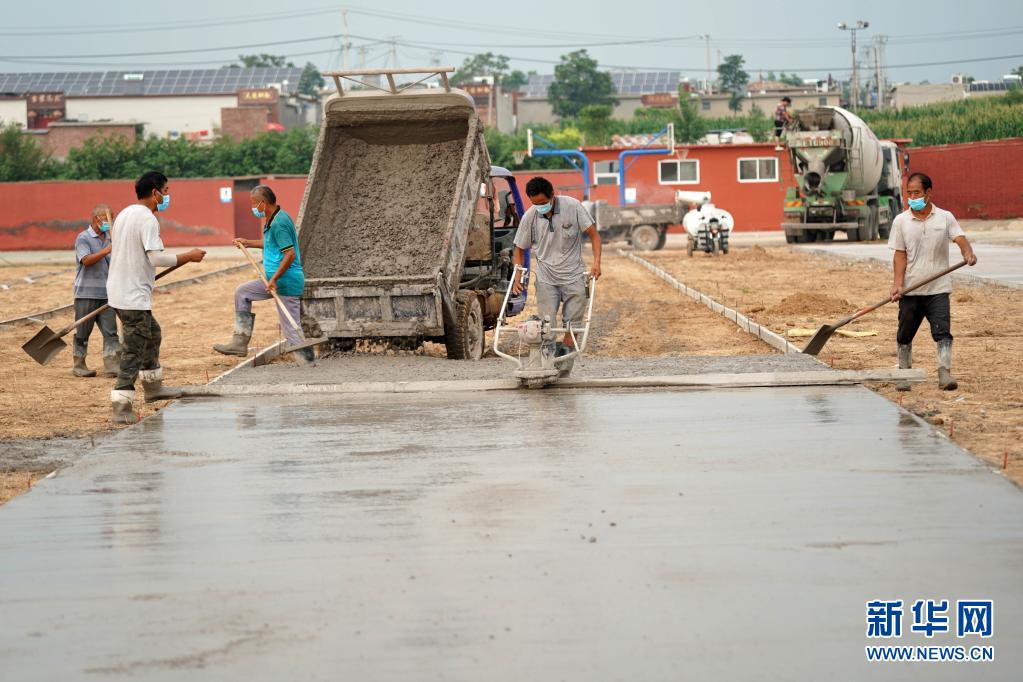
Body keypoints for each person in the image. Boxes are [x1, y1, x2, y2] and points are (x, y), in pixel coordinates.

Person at [107, 171, 206, 424]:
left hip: (119, 291)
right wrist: (189, 256)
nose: (167, 195)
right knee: (133, 349)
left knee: (153, 334)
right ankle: (121, 406)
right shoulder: (148, 219)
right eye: (167, 190)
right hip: (132, 296)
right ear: (155, 192)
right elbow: (156, 258)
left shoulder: (124, 214)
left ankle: (153, 387)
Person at [889, 172, 977, 392]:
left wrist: (968, 253)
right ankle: (904, 374)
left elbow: (960, 239)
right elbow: (900, 255)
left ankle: (944, 373)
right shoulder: (901, 221)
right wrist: (897, 284)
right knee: (904, 334)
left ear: (929, 192)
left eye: (917, 192)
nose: (912, 197)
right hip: (911, 289)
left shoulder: (945, 217)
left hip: (938, 289)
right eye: (909, 193)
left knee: (942, 332)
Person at [213, 185, 312, 364]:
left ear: (263, 203)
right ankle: (239, 342)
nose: (253, 208)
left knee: (291, 327)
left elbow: (290, 254)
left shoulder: (279, 223)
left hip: (285, 281)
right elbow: (272, 244)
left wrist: (274, 279)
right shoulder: (273, 219)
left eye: (253, 204)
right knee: (242, 292)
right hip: (275, 280)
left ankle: (307, 364)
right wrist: (248, 243)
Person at [511, 176, 601, 362]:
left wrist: (597, 262)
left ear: (552, 195)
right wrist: (518, 274)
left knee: (573, 323)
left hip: (573, 275)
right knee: (546, 323)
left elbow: (594, 235)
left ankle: (566, 358)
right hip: (546, 278)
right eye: (536, 204)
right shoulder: (530, 217)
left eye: (544, 203)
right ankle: (547, 359)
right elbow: (518, 249)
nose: (540, 207)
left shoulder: (573, 207)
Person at [71, 204, 120, 378]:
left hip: (107, 294)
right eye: (107, 219)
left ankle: (112, 365)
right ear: (96, 219)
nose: (110, 222)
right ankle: (79, 364)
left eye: (112, 218)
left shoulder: (112, 237)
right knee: (82, 332)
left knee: (111, 332)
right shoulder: (83, 238)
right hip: (86, 293)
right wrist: (107, 250)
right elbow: (86, 260)